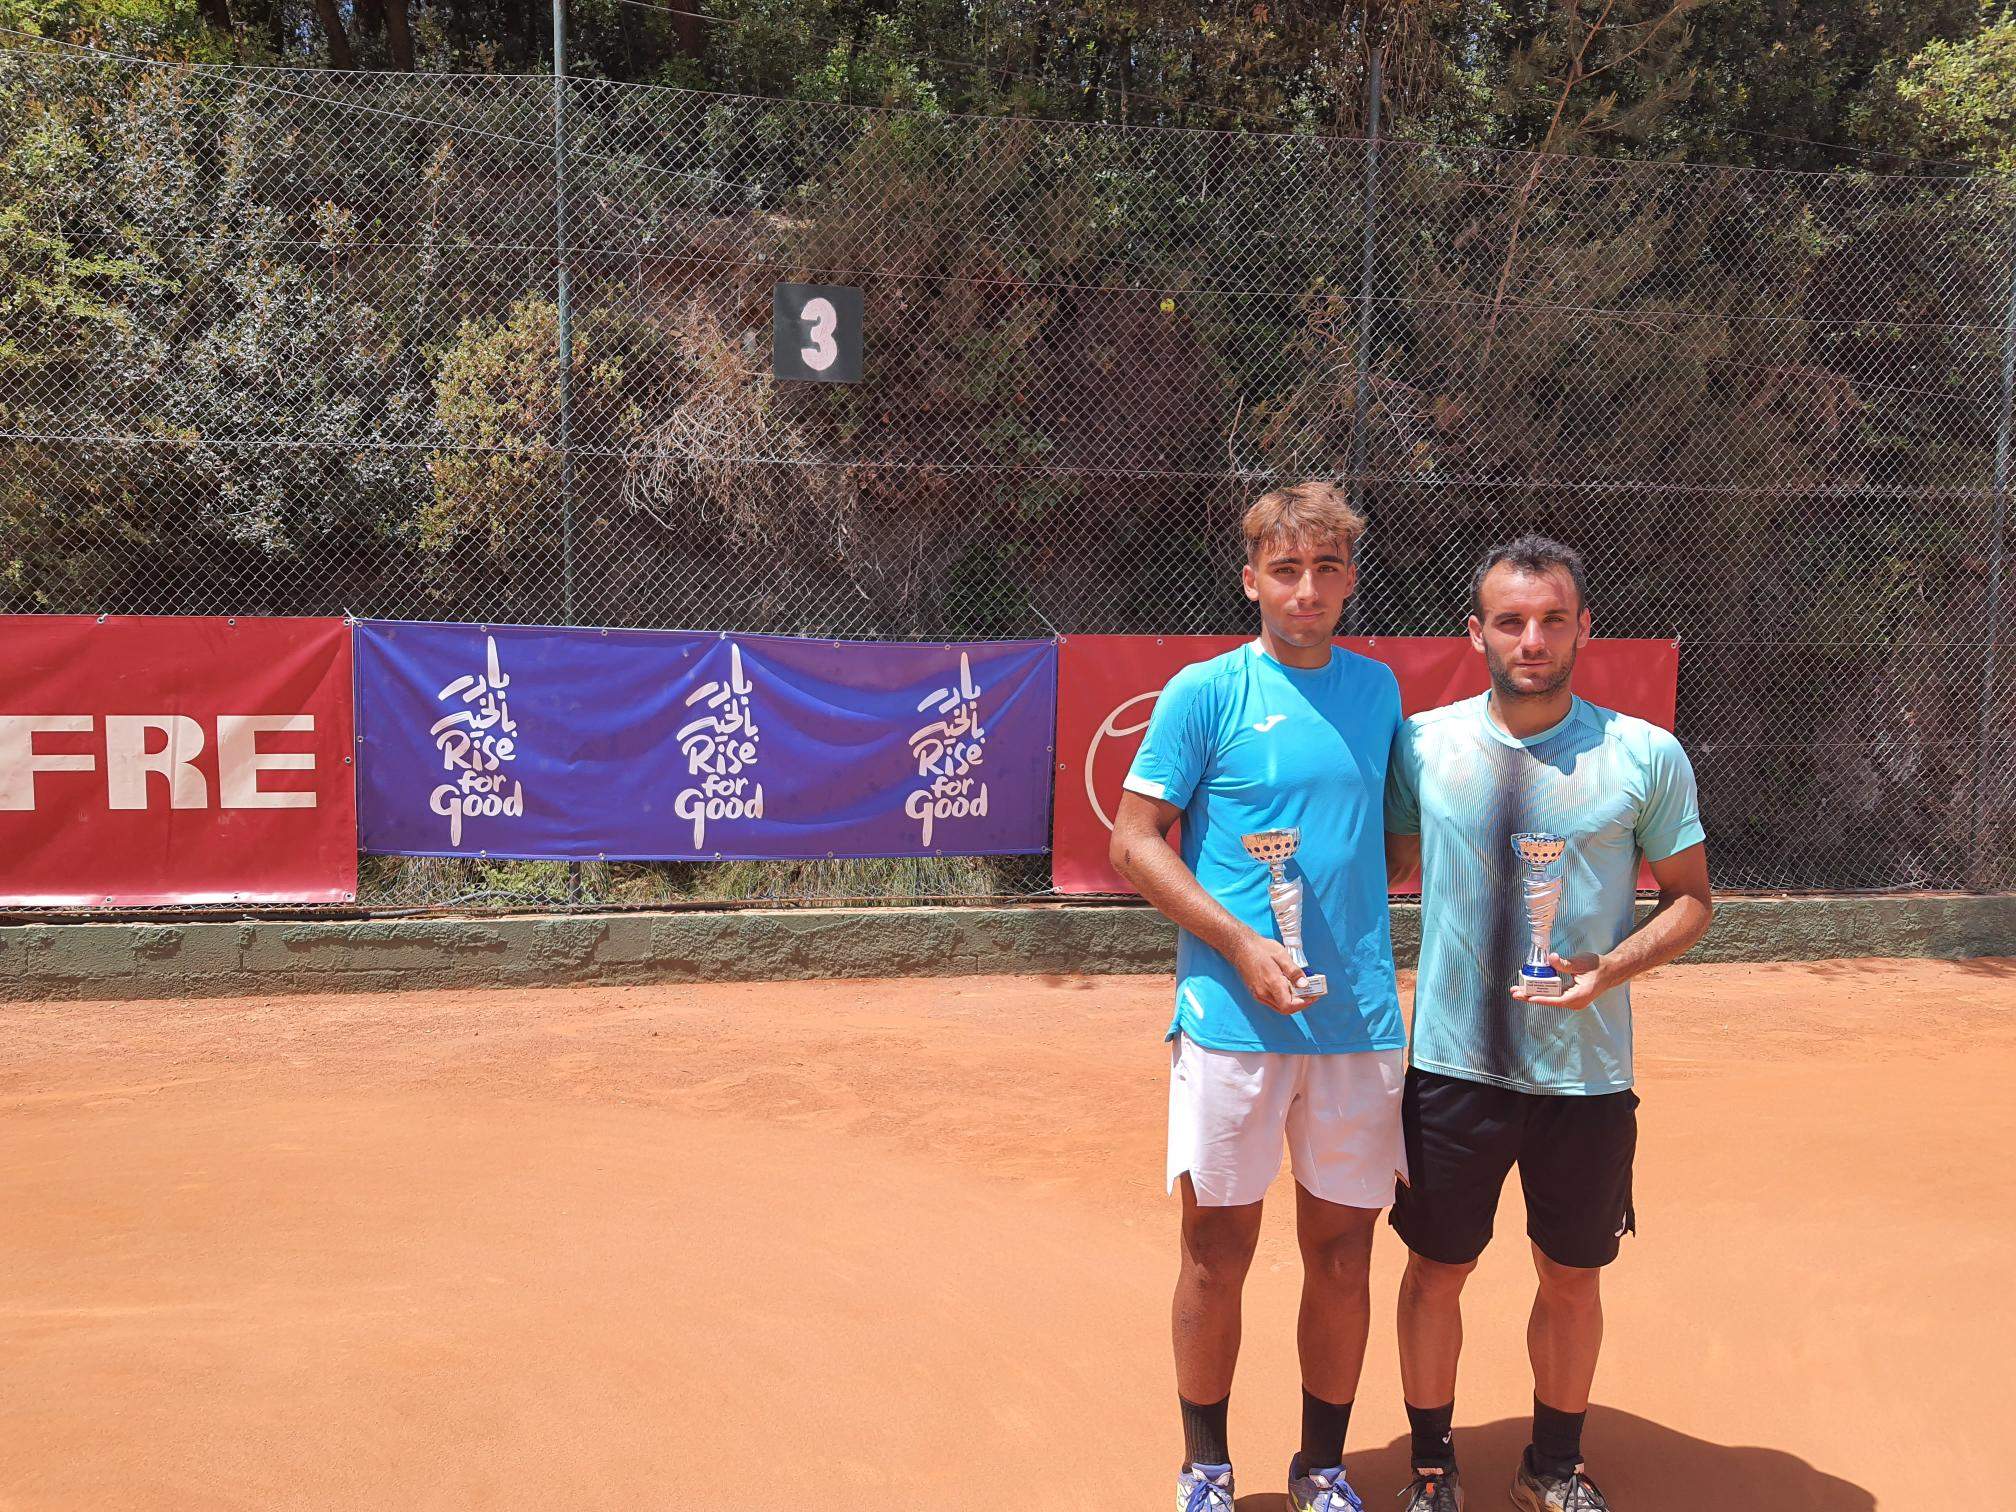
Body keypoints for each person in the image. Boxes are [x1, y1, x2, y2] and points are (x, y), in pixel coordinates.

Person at [1383, 535, 1714, 1512]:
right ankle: (1433, 1469)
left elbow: (1691, 901)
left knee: (1572, 1277)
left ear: (1583, 629)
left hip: (1588, 1077)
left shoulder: (1644, 755)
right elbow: (1375, 868)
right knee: (1436, 1270)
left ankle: (1554, 1466)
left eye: (1552, 619)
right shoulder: (1422, 746)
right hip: (1451, 1066)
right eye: (1512, 620)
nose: (1533, 639)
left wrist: (1609, 968)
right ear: (1476, 630)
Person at [1110, 480, 1407, 1512]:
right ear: (1252, 580)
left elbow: (1399, 842)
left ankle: (1322, 1468)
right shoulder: (1204, 693)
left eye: (1327, 569)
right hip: (1231, 1022)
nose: (1308, 588)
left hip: (1358, 1022)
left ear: (1349, 580)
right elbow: (1133, 837)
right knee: (1216, 1249)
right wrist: (1241, 943)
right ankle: (1205, 1469)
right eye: (1286, 569)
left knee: (1340, 1256)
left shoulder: (1379, 695)